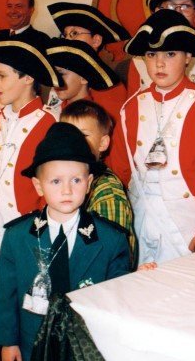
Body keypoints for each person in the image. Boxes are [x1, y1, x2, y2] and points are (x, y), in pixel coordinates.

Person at [0, 39, 62, 361]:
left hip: (23, 232)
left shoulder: (48, 124)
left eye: (2, 76)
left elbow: (48, 187)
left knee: (17, 305)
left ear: (28, 78)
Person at [0, 122, 130, 361]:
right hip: (32, 343)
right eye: (56, 181)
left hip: (88, 346)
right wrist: (9, 342)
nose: (67, 190)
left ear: (89, 183)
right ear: (38, 186)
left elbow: (118, 297)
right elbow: (7, 294)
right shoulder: (16, 236)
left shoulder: (111, 240)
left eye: (76, 180)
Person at [121, 9, 195, 265]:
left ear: (188, 57)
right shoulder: (131, 107)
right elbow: (121, 169)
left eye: (170, 54)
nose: (159, 63)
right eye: (152, 55)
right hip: (140, 219)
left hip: (189, 223)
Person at [47, 3, 132, 187]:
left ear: (96, 40)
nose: (68, 39)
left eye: (75, 33)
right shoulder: (64, 86)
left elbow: (117, 149)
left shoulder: (109, 88)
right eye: (65, 34)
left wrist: (113, 185)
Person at [61, 99, 138, 271]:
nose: (74, 142)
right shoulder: (65, 183)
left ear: (103, 143)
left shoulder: (107, 194)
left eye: (83, 136)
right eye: (67, 134)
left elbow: (110, 259)